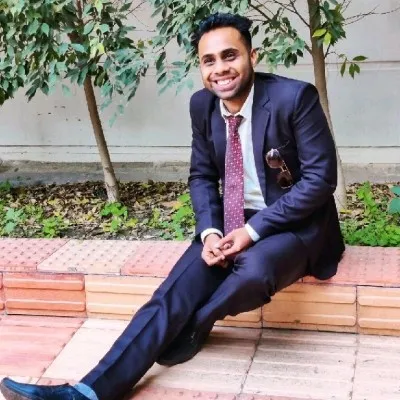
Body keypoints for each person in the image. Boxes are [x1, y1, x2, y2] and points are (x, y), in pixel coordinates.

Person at [0, 12, 345, 400]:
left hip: (296, 223)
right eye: (208, 60)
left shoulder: (294, 98)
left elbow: (320, 181)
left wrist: (251, 232)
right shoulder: (203, 106)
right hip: (232, 221)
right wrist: (210, 232)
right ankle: (88, 392)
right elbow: (201, 176)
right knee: (171, 294)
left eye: (230, 55)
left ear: (252, 56)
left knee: (252, 270)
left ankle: (197, 324)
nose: (220, 69)